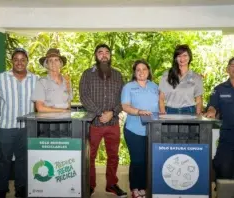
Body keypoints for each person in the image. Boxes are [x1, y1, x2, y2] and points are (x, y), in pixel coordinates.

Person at [79, 44, 127, 197]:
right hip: (94, 123)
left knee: (113, 155)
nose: (104, 55)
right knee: (90, 156)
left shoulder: (118, 75)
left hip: (113, 123)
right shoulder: (87, 74)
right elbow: (84, 97)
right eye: (100, 52)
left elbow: (124, 99)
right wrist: (100, 113)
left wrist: (112, 113)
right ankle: (90, 185)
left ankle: (111, 185)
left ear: (110, 56)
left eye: (107, 52)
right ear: (96, 55)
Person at [0, 48, 37, 198]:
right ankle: (1, 189)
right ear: (11, 61)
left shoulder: (35, 79)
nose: (19, 62)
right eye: (16, 59)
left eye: (23, 59)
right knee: (4, 160)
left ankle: (20, 188)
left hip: (26, 127)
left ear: (27, 61)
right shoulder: (0, 78)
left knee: (22, 160)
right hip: (5, 126)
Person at [121, 60, 159, 198]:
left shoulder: (155, 86)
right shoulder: (129, 87)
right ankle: (135, 187)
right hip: (133, 129)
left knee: (148, 160)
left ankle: (144, 187)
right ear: (134, 72)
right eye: (138, 69)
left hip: (152, 130)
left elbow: (161, 106)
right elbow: (125, 106)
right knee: (137, 160)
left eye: (144, 69)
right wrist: (138, 111)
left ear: (149, 71)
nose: (141, 72)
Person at [31, 48, 72, 137]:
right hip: (47, 125)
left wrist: (52, 107)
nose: (53, 63)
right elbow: (40, 108)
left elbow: (68, 104)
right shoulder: (41, 82)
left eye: (56, 60)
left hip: (65, 124)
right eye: (50, 60)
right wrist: (62, 110)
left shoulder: (67, 81)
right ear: (46, 64)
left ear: (61, 63)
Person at [159, 44, 203, 115]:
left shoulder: (196, 77)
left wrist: (198, 115)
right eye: (179, 56)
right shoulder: (167, 74)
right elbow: (161, 98)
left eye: (185, 55)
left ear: (190, 57)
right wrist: (163, 113)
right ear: (176, 58)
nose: (182, 58)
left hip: (189, 112)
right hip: (170, 111)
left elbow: (199, 100)